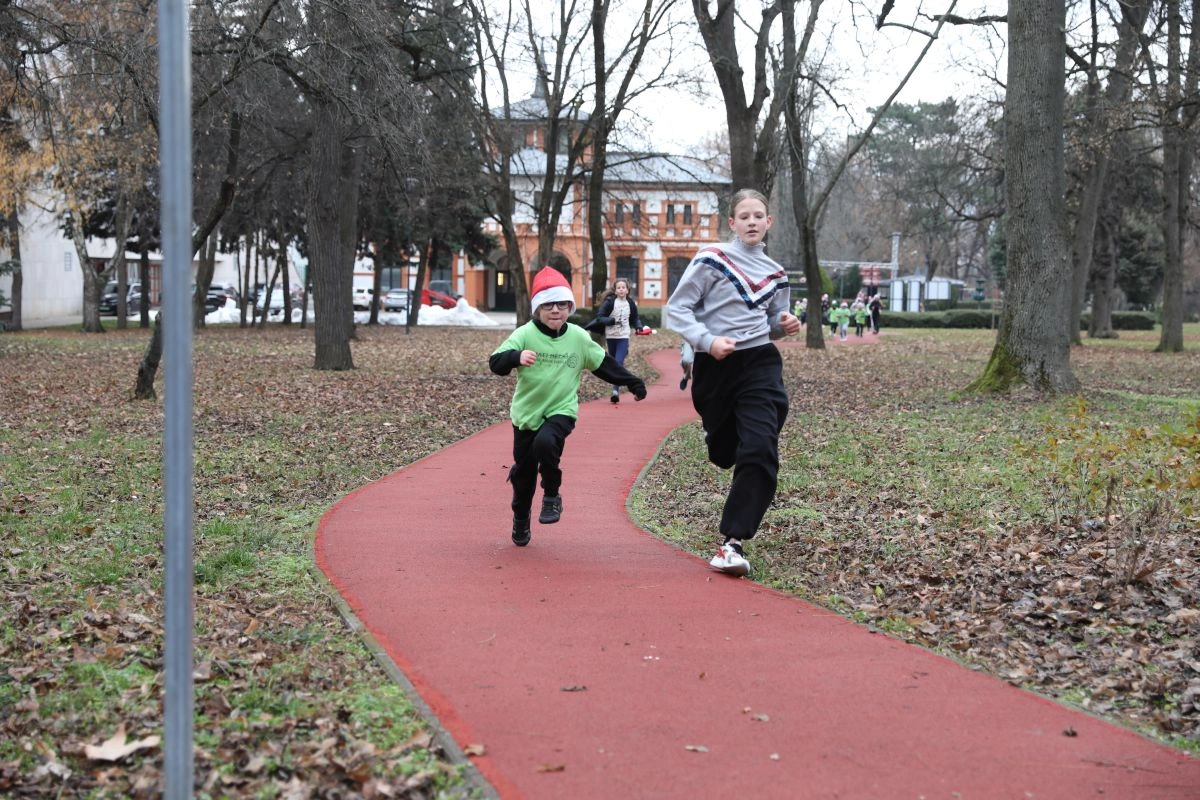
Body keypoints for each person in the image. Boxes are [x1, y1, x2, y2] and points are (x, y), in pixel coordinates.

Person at [665, 188, 802, 577]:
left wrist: (785, 325)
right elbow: (677, 309)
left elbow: (775, 321)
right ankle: (718, 437)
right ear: (732, 223)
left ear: (768, 221)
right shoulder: (713, 259)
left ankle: (733, 543)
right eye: (745, 216)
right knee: (725, 453)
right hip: (715, 368)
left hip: (759, 363)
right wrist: (707, 342)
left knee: (759, 447)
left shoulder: (776, 273)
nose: (752, 222)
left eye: (759, 215)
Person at [490, 268, 648, 547]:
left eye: (562, 305)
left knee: (546, 443)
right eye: (549, 305)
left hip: (561, 410)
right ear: (538, 308)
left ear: (569, 308)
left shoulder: (577, 337)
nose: (555, 311)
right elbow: (496, 362)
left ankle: (552, 494)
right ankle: (520, 518)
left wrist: (633, 383)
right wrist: (516, 356)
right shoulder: (525, 333)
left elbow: (604, 364)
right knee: (523, 477)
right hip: (526, 415)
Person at [585, 278, 641, 403]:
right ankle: (616, 387)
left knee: (619, 362)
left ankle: (615, 390)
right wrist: (611, 321)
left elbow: (635, 318)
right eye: (619, 288)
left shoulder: (630, 303)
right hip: (611, 336)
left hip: (623, 336)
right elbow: (600, 317)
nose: (621, 290)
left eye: (623, 287)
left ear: (627, 290)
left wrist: (639, 327)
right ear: (615, 290)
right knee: (614, 363)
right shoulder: (610, 302)